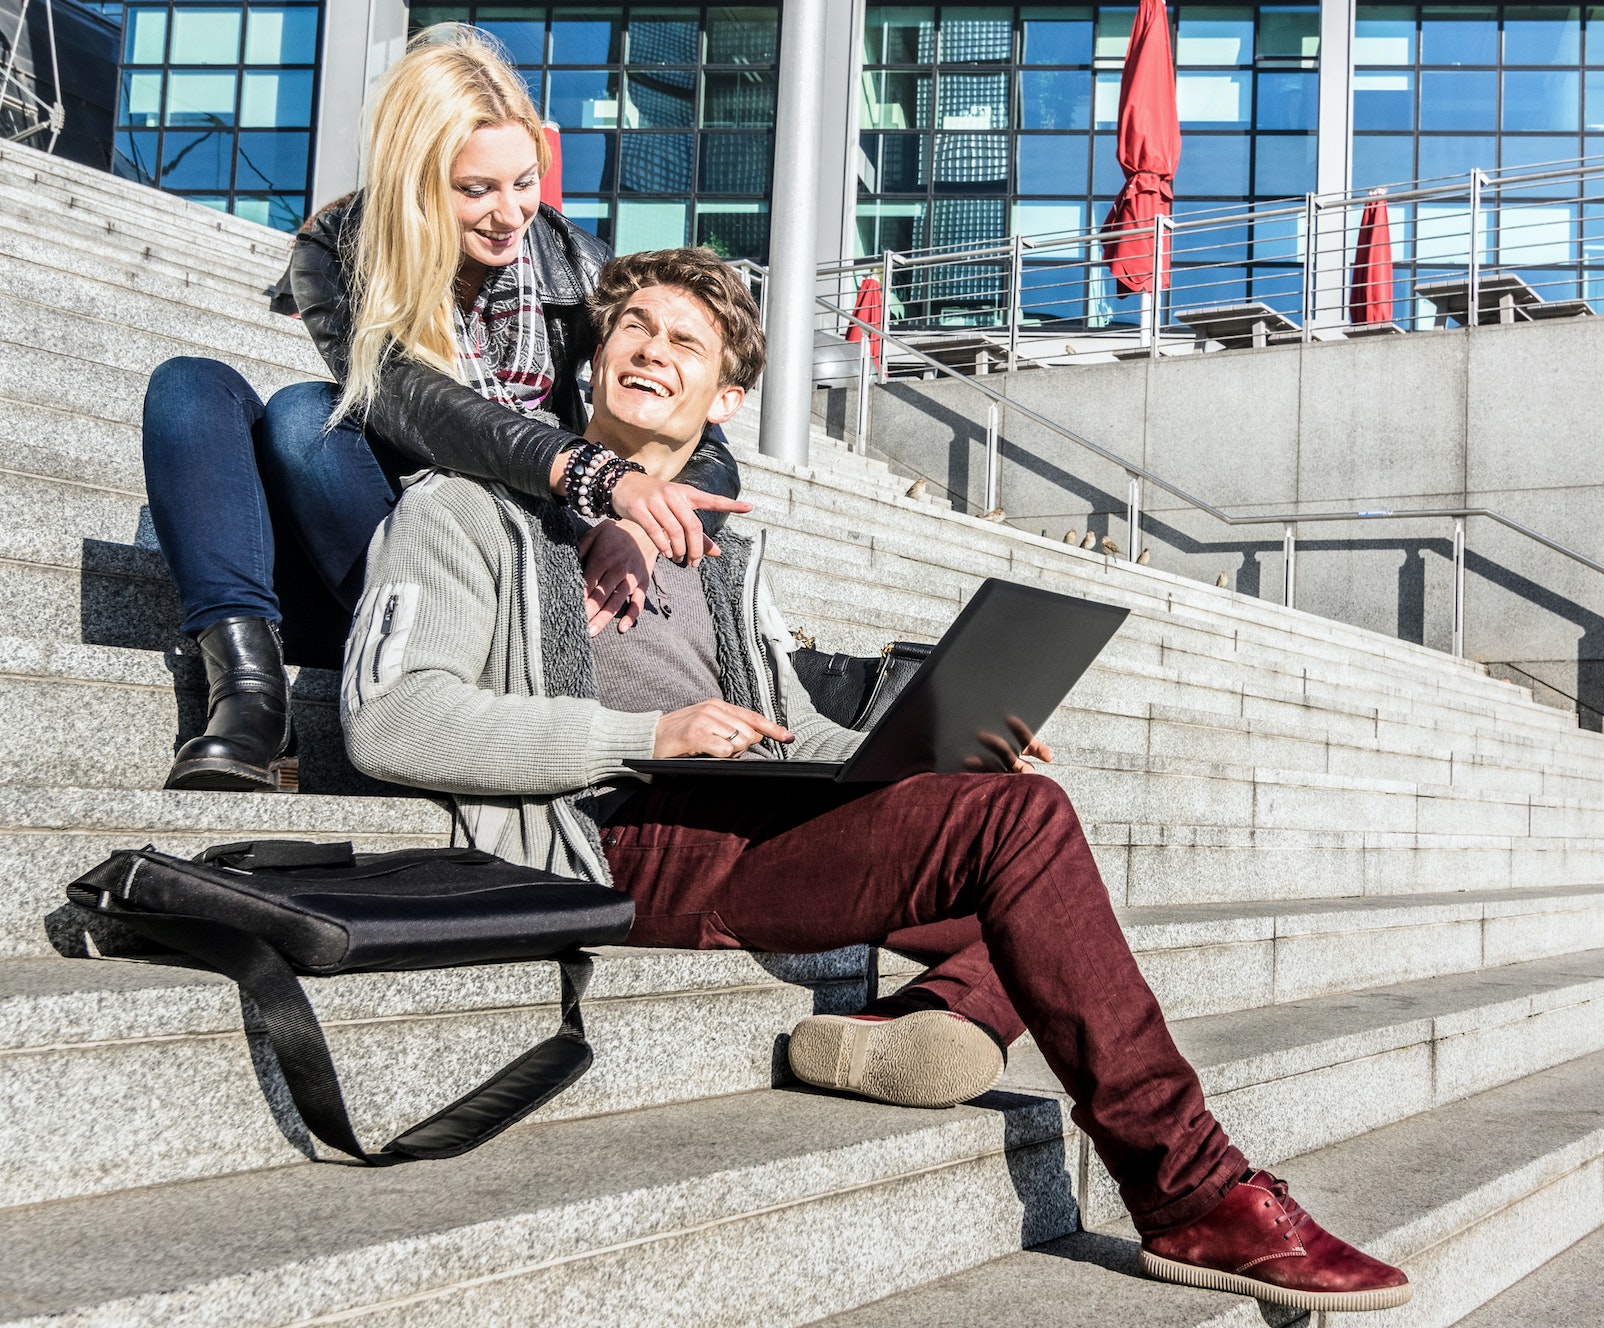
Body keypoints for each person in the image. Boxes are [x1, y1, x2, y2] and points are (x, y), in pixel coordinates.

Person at [338, 247, 1415, 1315]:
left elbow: (787, 730)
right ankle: (1190, 1190)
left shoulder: (723, 557)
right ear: (593, 357)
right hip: (610, 827)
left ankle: (920, 1021)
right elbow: (387, 719)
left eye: (683, 340)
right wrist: (643, 730)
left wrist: (938, 746)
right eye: (632, 329)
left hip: (743, 809)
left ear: (727, 394)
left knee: (1010, 831)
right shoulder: (468, 507)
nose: (649, 351)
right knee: (1023, 836)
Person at [141, 23, 743, 794]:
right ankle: (250, 691)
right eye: (475, 189)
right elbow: (415, 403)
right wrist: (591, 470)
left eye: (524, 181)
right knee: (191, 386)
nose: (509, 213)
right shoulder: (343, 250)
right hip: (376, 532)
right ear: (415, 180)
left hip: (499, 563)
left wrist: (633, 522)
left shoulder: (580, 267)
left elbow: (710, 450)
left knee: (302, 419)